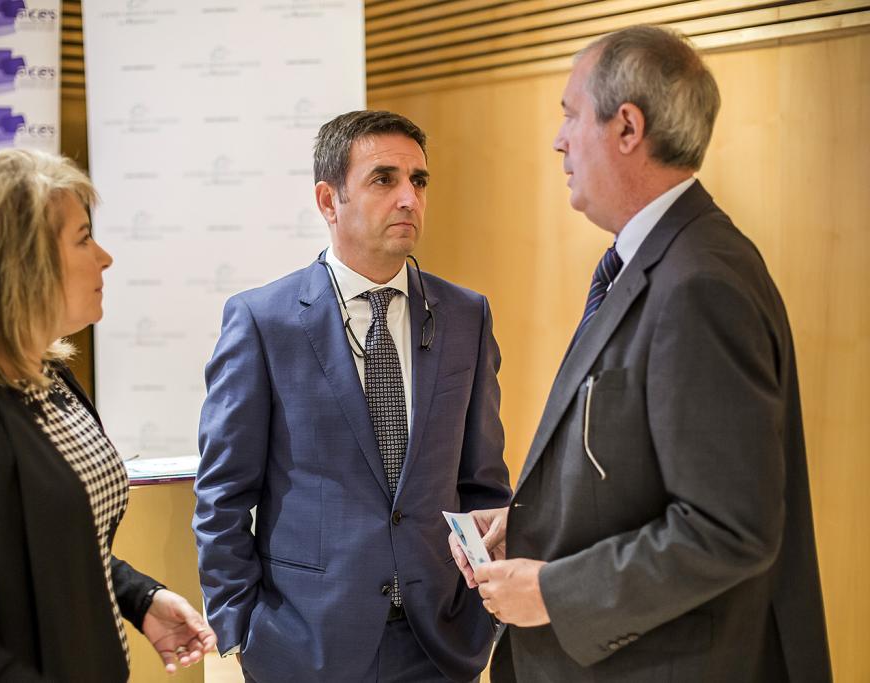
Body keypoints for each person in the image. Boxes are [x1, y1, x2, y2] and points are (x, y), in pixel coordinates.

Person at [451, 25, 832, 682]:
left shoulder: (701, 283)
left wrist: (553, 591)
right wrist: (534, 525)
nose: (559, 139)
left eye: (570, 114)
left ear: (627, 127)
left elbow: (726, 528)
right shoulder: (657, 264)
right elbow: (635, 471)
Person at [0, 149, 217, 682]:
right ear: (20, 260)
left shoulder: (49, 376)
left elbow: (60, 539)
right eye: (82, 237)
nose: (105, 257)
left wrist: (141, 597)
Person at [193, 110, 510, 682]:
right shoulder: (263, 322)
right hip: (304, 646)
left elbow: (483, 482)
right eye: (384, 179)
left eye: (419, 180)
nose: (409, 198)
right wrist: (242, 630)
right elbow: (223, 497)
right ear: (327, 200)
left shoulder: (467, 315)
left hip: (440, 641)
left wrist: (484, 613)